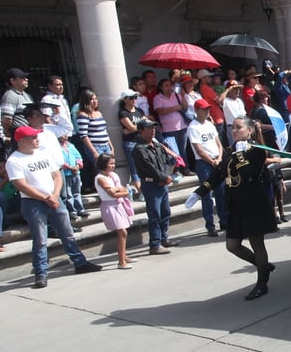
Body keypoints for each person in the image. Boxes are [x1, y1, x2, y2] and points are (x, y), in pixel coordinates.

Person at [186, 117, 277, 300]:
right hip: (235, 203)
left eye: (238, 127)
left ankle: (262, 283)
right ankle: (263, 265)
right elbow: (218, 174)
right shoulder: (229, 151)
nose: (234, 130)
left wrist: (241, 154)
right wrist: (199, 192)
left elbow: (248, 173)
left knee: (256, 243)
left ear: (249, 131)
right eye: (232, 127)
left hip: (253, 202)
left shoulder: (257, 150)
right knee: (232, 245)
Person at [6, 125, 102, 288]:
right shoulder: (14, 160)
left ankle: (80, 263)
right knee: (40, 240)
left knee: (68, 233)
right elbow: (21, 185)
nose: (37, 140)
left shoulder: (43, 154)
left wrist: (55, 194)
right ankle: (41, 273)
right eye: (33, 137)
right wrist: (45, 197)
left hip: (54, 199)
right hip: (33, 203)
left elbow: (57, 175)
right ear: (22, 141)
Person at [131, 120, 176, 255]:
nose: (153, 130)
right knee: (155, 214)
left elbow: (167, 162)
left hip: (162, 184)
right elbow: (149, 167)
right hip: (151, 184)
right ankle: (155, 244)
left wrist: (166, 177)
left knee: (165, 212)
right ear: (141, 131)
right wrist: (162, 178)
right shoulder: (139, 149)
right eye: (149, 128)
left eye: (153, 128)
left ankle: (164, 238)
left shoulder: (158, 145)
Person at [187, 99, 226, 237]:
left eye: (208, 108)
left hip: (216, 159)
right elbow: (199, 150)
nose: (207, 111)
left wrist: (219, 158)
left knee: (221, 192)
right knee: (207, 195)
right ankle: (210, 225)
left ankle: (224, 220)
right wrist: (212, 161)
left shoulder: (210, 124)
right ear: (197, 110)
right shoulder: (193, 127)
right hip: (204, 163)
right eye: (204, 109)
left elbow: (219, 143)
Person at [94, 153, 134, 269]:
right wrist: (121, 191)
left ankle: (124, 256)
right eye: (110, 163)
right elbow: (111, 193)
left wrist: (120, 190)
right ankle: (121, 262)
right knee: (122, 232)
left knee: (124, 231)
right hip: (110, 207)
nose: (113, 166)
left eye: (114, 163)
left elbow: (121, 190)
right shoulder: (100, 178)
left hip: (118, 205)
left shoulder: (113, 176)